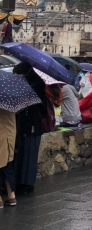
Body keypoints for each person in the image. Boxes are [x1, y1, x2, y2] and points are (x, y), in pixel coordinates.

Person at [2, 62, 50, 200]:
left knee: (29, 156)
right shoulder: (29, 86)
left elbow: (40, 108)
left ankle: (27, 184)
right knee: (23, 155)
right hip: (25, 127)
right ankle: (20, 183)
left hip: (33, 127)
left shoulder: (37, 87)